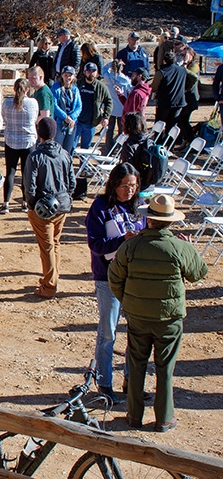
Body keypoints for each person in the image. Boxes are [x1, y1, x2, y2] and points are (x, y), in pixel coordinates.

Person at [108, 194, 208, 432]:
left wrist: (130, 302)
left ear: (148, 220)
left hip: (138, 316)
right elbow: (198, 273)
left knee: (136, 363)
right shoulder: (179, 247)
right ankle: (164, 418)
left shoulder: (131, 245)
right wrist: (191, 249)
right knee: (165, 368)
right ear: (170, 222)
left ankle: (134, 415)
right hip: (169, 319)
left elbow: (114, 278)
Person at [84, 163, 147, 403]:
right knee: (108, 333)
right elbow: (95, 245)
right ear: (114, 184)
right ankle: (104, 383)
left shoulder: (139, 208)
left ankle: (132, 382)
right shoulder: (101, 207)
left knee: (135, 332)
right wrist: (122, 241)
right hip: (108, 278)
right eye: (124, 186)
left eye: (133, 186)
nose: (129, 191)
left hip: (134, 279)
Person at [23, 117, 75, 298]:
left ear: (39, 134)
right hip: (61, 206)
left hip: (42, 208)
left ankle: (49, 286)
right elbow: (72, 182)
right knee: (55, 244)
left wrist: (31, 205)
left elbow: (29, 187)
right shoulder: (64, 153)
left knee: (46, 247)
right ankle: (53, 277)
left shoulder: (35, 157)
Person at [0, 78, 39, 214]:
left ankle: (6, 203)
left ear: (14, 89)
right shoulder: (32, 103)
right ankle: (24, 202)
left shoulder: (6, 103)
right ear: (27, 89)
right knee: (26, 173)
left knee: (10, 172)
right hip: (28, 141)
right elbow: (34, 119)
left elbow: (4, 117)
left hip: (11, 140)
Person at [75, 62, 113, 150]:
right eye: (89, 71)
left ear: (97, 72)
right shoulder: (78, 84)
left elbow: (109, 101)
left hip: (91, 123)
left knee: (85, 149)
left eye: (93, 71)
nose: (91, 73)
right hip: (77, 121)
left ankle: (83, 164)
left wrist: (106, 116)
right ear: (84, 72)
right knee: (72, 147)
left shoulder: (101, 87)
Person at [151, 50, 186, 138]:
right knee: (172, 124)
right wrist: (185, 88)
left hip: (164, 102)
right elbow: (193, 78)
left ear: (164, 61)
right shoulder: (182, 70)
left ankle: (157, 142)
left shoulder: (161, 72)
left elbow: (154, 87)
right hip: (178, 101)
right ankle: (170, 144)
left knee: (160, 124)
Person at [101, 60, 131, 151]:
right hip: (121, 107)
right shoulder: (125, 80)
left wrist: (110, 64)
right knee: (121, 129)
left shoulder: (108, 77)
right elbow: (130, 89)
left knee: (110, 128)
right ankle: (120, 146)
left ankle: (109, 146)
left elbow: (103, 69)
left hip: (111, 107)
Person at [51, 66, 82, 155]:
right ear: (62, 75)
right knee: (57, 148)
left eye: (70, 75)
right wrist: (65, 117)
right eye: (65, 75)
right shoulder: (56, 88)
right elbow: (54, 105)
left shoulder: (75, 89)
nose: (68, 77)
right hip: (60, 122)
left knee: (68, 149)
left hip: (72, 123)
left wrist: (72, 118)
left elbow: (79, 106)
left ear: (73, 76)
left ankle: (67, 167)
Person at [175, 49, 199, 150]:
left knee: (184, 120)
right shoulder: (184, 65)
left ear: (191, 55)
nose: (183, 56)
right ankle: (185, 141)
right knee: (181, 120)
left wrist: (184, 65)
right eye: (182, 55)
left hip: (190, 97)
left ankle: (191, 141)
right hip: (184, 97)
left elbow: (191, 76)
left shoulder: (194, 66)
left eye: (185, 55)